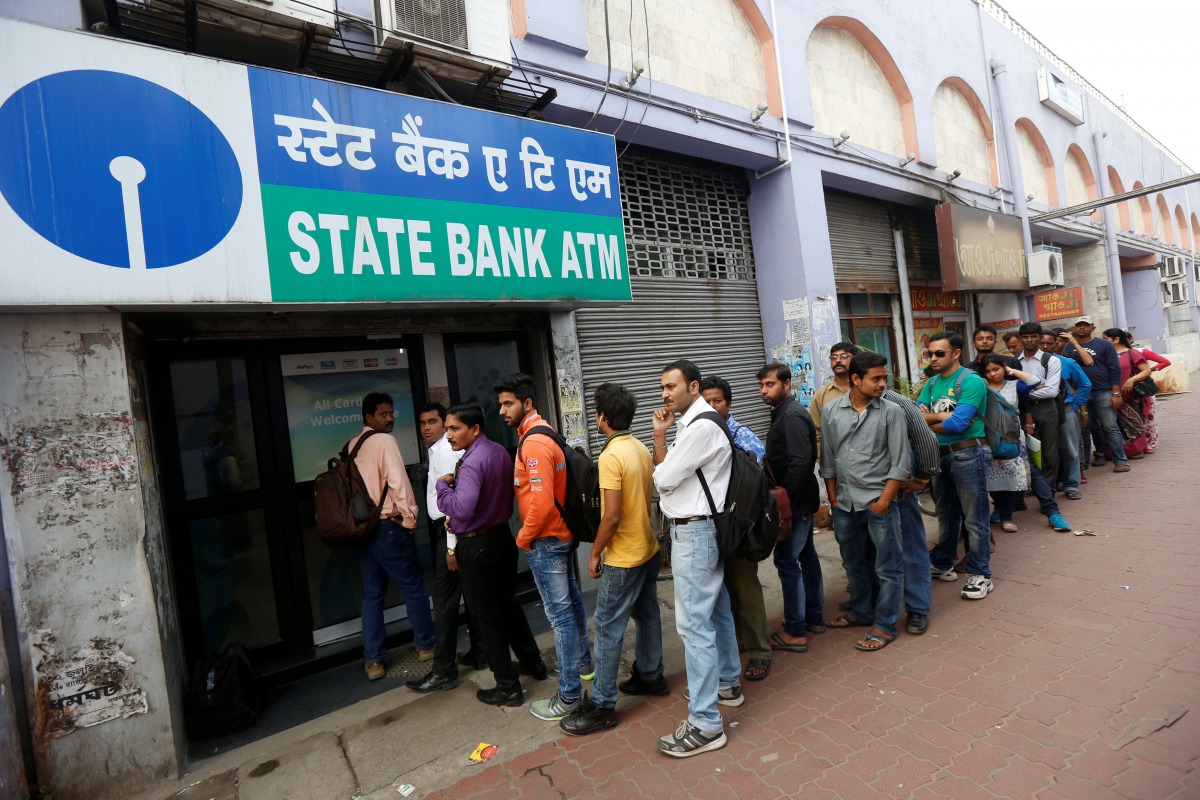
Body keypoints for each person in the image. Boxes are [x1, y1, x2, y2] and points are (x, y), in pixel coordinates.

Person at [560, 383, 666, 736]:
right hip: (649, 549)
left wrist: (593, 553)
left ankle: (603, 704)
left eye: (596, 412)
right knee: (648, 615)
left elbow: (612, 516)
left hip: (623, 558)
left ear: (603, 417)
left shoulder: (610, 456)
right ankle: (651, 675)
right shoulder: (638, 447)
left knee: (607, 627)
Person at [651, 359, 740, 758]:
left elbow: (663, 478)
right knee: (716, 611)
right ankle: (727, 683)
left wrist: (663, 464)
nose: (665, 394)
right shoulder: (693, 425)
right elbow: (668, 471)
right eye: (663, 387)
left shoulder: (701, 427)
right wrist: (660, 437)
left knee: (693, 627)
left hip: (695, 532)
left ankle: (706, 723)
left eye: (671, 386)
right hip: (702, 529)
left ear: (694, 386)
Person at [494, 373, 594, 722]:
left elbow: (540, 502)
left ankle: (567, 696)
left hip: (547, 541)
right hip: (558, 537)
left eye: (508, 403)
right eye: (501, 404)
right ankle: (585, 666)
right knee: (571, 604)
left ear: (527, 403)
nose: (502, 411)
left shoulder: (534, 443)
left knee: (560, 616)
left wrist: (523, 538)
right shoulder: (542, 433)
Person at [435, 403, 548, 707]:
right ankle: (533, 664)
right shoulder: (498, 451)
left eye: (454, 428)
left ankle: (507, 686)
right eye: (447, 428)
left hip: (478, 546)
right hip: (499, 538)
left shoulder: (471, 462)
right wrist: (460, 519)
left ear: (474, 429)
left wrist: (441, 488)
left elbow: (462, 507)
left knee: (488, 617)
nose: (448, 435)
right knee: (508, 606)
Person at [821, 353, 910, 651]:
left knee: (888, 567)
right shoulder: (832, 411)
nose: (882, 384)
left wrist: (884, 501)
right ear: (856, 379)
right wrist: (833, 499)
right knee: (854, 563)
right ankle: (861, 612)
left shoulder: (891, 412)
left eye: (884, 378)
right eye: (876, 378)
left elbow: (900, 462)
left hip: (878, 501)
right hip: (845, 504)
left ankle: (884, 625)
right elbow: (828, 459)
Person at [350, 392, 435, 681]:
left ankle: (374, 661)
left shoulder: (352, 446)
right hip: (388, 527)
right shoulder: (385, 441)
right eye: (383, 414)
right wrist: (410, 518)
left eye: (391, 413)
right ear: (368, 418)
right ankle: (425, 645)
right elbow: (399, 482)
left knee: (372, 595)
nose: (389, 419)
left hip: (363, 531)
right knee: (412, 587)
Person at [406, 402, 485, 694]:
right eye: (422, 422)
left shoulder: (446, 450)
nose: (426, 427)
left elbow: (455, 498)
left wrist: (451, 547)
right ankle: (480, 652)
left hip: (450, 532)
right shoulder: (438, 449)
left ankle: (444, 670)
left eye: (433, 422)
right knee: (469, 594)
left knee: (444, 602)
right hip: (450, 531)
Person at [699, 376, 773, 683]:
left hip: (739, 527)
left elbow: (757, 485)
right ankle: (738, 642)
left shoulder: (743, 437)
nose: (712, 406)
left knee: (745, 588)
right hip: (709, 527)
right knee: (723, 589)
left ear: (728, 404)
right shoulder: (696, 434)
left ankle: (760, 650)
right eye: (707, 401)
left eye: (718, 401)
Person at [917, 332, 995, 600]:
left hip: (968, 454)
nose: (933, 358)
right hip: (938, 455)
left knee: (975, 517)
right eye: (930, 354)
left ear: (956, 353)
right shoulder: (930, 383)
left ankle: (980, 574)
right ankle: (942, 563)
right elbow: (917, 418)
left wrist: (930, 419)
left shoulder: (971, 382)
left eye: (940, 353)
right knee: (946, 515)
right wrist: (938, 417)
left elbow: (958, 424)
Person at [757, 362, 825, 651]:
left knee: (786, 560)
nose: (763, 391)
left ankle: (796, 630)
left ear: (786, 385)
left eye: (769, 384)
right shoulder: (783, 413)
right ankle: (813, 617)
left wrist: (783, 503)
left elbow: (801, 462)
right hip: (799, 501)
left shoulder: (793, 416)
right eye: (761, 385)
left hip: (796, 503)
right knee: (805, 556)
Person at [881, 386, 940, 635]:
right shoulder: (835, 402)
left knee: (911, 546)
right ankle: (876, 607)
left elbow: (925, 438)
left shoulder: (895, 402)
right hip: (863, 493)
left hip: (900, 487)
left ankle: (917, 608)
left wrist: (922, 479)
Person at [978, 355, 1040, 531]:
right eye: (988, 371)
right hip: (987, 438)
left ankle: (1007, 516)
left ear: (1003, 368)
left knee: (1010, 478)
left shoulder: (1014, 385)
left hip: (1011, 438)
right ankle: (997, 509)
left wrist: (1011, 371)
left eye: (996, 369)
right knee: (989, 478)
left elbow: (1034, 381)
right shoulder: (980, 387)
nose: (992, 374)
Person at [1062, 315, 1129, 473]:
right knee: (1084, 429)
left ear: (1093, 328)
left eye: (1086, 325)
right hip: (1080, 393)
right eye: (1079, 325)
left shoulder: (1104, 344)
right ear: (1074, 328)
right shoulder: (1067, 347)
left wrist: (1116, 393)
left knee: (1110, 426)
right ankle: (1083, 463)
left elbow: (1114, 369)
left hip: (1103, 391)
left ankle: (1120, 460)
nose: (1082, 328)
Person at [1042, 331, 1091, 499]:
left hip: (1066, 409)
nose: (1045, 347)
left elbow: (1085, 384)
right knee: (1045, 450)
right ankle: (1048, 484)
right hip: (1041, 411)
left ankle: (1071, 484)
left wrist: (1075, 404)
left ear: (1056, 344)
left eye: (1050, 343)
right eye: (1042, 343)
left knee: (1070, 448)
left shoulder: (1067, 363)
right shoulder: (1030, 364)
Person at [1016, 322, 1062, 491]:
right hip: (1022, 411)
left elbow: (1051, 391)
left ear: (1040, 337)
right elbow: (1011, 386)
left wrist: (1023, 393)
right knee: (1027, 449)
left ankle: (1048, 489)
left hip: (1046, 409)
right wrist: (1036, 387)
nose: (1029, 340)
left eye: (1033, 336)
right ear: (1020, 339)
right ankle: (1032, 485)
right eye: (1026, 337)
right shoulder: (1014, 361)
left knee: (1049, 450)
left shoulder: (1051, 360)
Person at [1102, 329, 1154, 459]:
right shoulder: (1105, 355)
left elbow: (1146, 371)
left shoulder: (1132, 353)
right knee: (1112, 425)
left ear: (1116, 339)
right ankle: (1117, 451)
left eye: (1105, 339)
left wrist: (1131, 380)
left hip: (1129, 396)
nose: (1103, 342)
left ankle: (1136, 449)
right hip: (1108, 395)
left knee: (1133, 424)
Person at [809, 342, 858, 452]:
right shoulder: (821, 395)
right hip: (837, 462)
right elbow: (816, 433)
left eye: (844, 356)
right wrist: (824, 461)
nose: (838, 360)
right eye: (834, 357)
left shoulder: (863, 390)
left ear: (855, 360)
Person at [1135, 347, 1171, 453]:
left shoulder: (1141, 351)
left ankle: (1149, 443)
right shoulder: (1114, 352)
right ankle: (1136, 444)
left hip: (1144, 388)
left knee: (1148, 416)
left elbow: (1165, 362)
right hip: (1125, 389)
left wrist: (1149, 370)